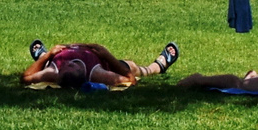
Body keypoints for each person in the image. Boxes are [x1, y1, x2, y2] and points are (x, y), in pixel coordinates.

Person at [21, 40, 179, 90]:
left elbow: (26, 78)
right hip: (101, 59)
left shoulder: (54, 71)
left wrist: (49, 55)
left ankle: (41, 56)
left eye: (65, 66)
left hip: (58, 52)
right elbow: (131, 80)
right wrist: (107, 56)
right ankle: (158, 66)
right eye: (71, 66)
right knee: (132, 66)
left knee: (45, 62)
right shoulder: (96, 73)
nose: (67, 63)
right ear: (80, 72)